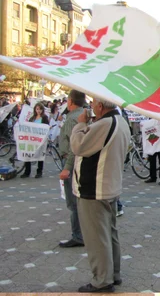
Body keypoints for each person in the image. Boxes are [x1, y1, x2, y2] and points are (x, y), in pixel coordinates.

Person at [71, 97, 131, 293]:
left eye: (94, 103)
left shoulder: (105, 123)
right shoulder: (119, 121)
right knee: (109, 234)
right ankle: (113, 274)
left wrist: (80, 124)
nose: (91, 107)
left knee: (97, 237)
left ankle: (102, 280)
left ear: (100, 105)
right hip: (108, 186)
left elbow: (79, 146)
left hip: (95, 188)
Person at [58, 90, 86, 248]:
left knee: (73, 202)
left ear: (70, 101)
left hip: (71, 162)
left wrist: (67, 168)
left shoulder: (72, 118)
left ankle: (78, 235)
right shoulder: (84, 115)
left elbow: (73, 146)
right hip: (80, 162)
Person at [20, 102, 49, 178]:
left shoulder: (45, 118)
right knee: (28, 154)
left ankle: (39, 172)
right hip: (32, 139)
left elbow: (46, 127)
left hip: (40, 139)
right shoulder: (32, 118)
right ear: (35, 109)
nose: (39, 111)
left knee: (40, 155)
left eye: (40, 109)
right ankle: (27, 172)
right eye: (37, 109)